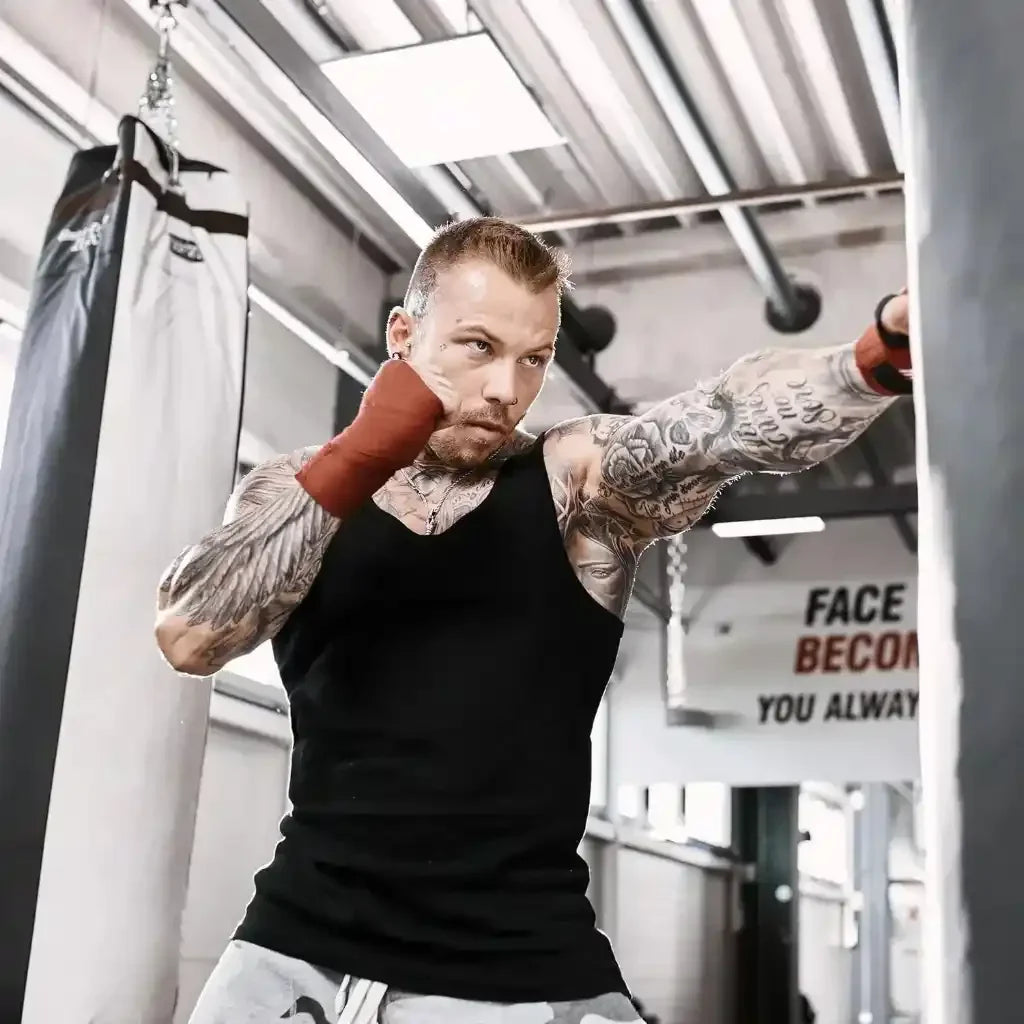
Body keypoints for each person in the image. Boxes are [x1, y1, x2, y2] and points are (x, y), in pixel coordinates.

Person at [155, 217, 912, 1023]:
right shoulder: (295, 491)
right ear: (404, 334)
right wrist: (360, 454)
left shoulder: (573, 483)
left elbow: (720, 424)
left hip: (517, 969)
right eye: (477, 347)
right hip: (295, 952)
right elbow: (193, 634)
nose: (505, 390)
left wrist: (867, 360)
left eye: (534, 360)